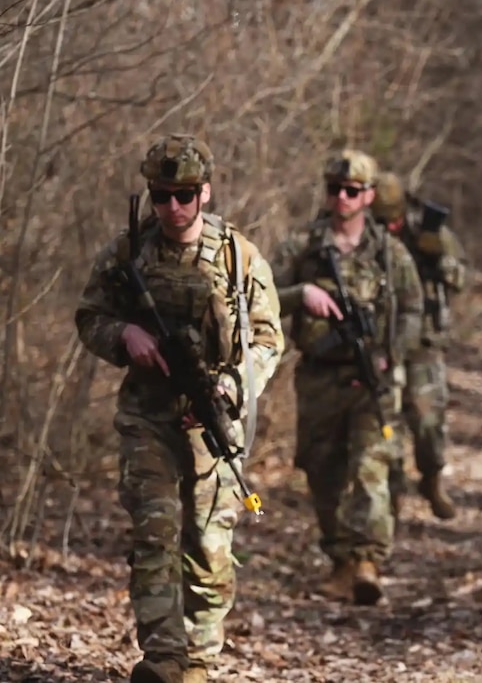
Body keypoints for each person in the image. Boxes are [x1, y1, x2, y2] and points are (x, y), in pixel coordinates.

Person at [75, 134, 284, 683]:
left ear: (205, 193)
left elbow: (268, 339)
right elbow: (89, 317)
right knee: (154, 533)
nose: (172, 207)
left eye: (184, 195)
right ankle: (163, 660)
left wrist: (234, 388)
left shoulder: (238, 257)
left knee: (209, 550)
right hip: (148, 418)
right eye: (161, 195)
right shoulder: (127, 253)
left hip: (212, 422)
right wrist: (125, 336)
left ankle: (198, 660)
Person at [270, 150, 423, 605]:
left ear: (369, 196)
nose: (342, 197)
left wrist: (391, 355)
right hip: (318, 377)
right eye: (334, 189)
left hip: (371, 379)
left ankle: (367, 561)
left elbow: (414, 310)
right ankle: (339, 561)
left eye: (352, 191)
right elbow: (260, 298)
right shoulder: (301, 246)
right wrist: (303, 295)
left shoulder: (390, 254)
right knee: (323, 471)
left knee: (371, 466)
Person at [371, 172, 467, 520]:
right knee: (385, 419)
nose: (389, 227)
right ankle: (392, 492)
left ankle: (431, 477)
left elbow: (461, 277)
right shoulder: (365, 234)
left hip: (423, 339)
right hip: (381, 338)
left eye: (392, 219)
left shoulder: (428, 229)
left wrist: (439, 260)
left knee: (427, 418)